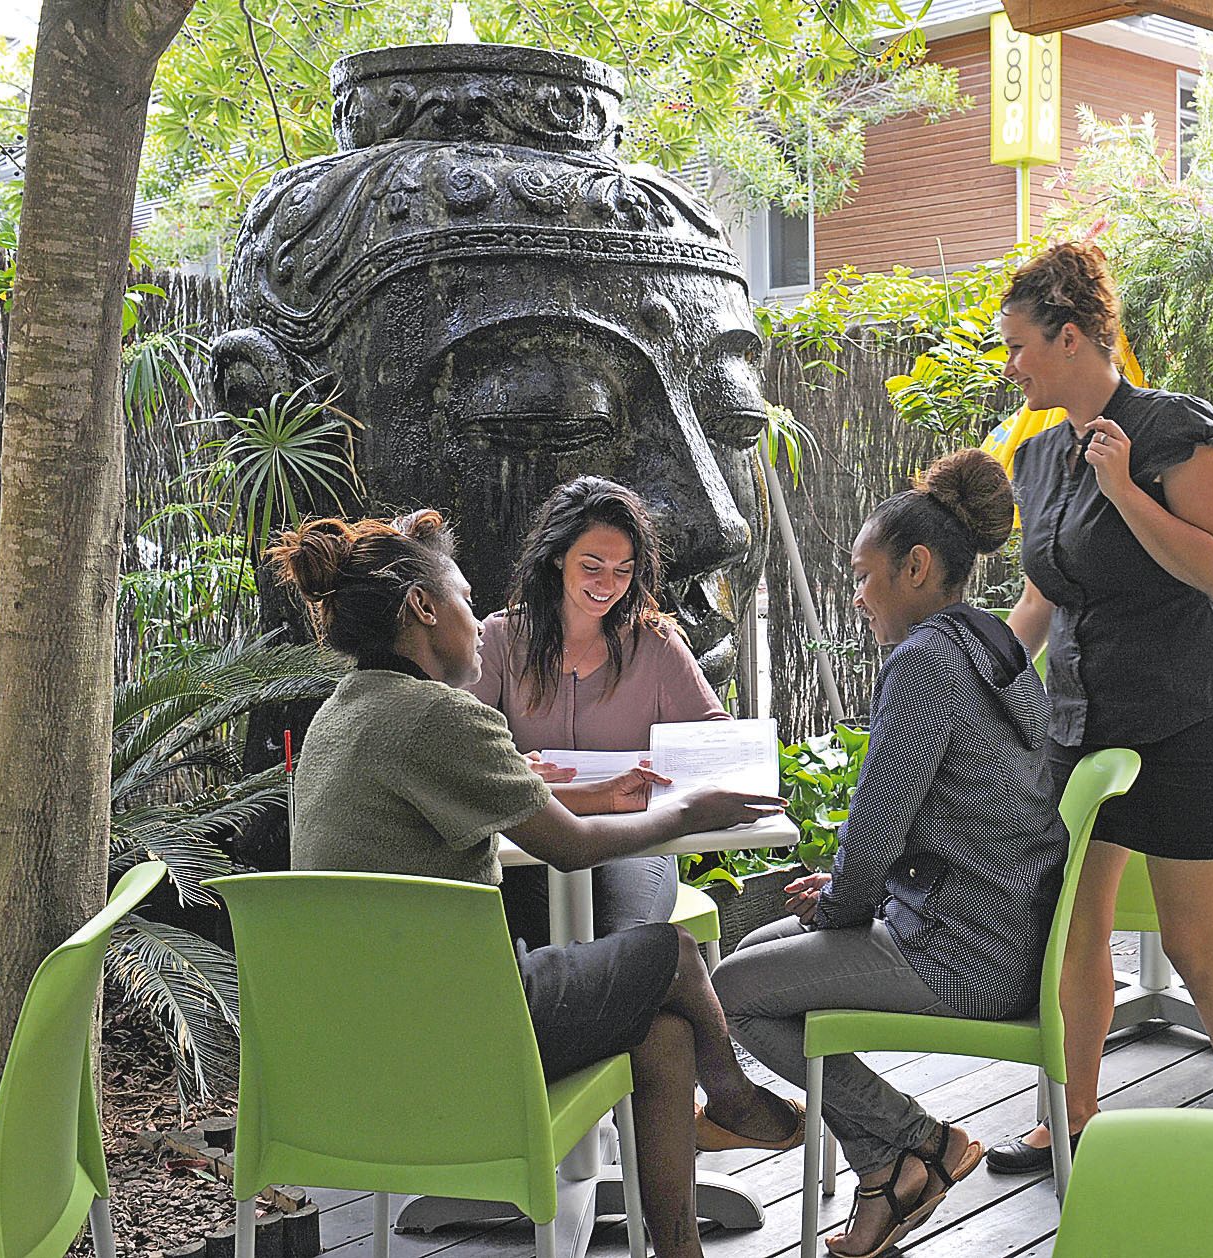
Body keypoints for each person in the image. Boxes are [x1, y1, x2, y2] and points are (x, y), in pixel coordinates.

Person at [270, 509, 802, 1258]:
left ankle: (682, 1243)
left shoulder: (340, 719)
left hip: (357, 1050)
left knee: (662, 1032)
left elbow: (522, 802)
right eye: (461, 598)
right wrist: (687, 808)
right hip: (464, 1037)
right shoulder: (439, 718)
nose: (479, 625)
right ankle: (735, 1096)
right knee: (675, 954)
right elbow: (574, 847)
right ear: (424, 609)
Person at [713, 450, 1065, 1258]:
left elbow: (873, 830)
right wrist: (843, 894)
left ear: (916, 567)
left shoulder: (925, 662)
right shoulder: (989, 643)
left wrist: (843, 900)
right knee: (761, 949)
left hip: (965, 954)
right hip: (999, 929)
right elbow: (937, 816)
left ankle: (918, 1143)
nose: (858, 595)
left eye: (866, 575)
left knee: (732, 994)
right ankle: (889, 1163)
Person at [987, 242, 1213, 1175]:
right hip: (1082, 718)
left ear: (1069, 337)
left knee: (1198, 941)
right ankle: (1073, 1122)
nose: (1012, 366)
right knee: (1077, 926)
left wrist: (1122, 488)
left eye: (1021, 347)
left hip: (1190, 714)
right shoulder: (1035, 457)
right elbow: (1043, 599)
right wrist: (975, 673)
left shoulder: (1168, 429)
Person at [468, 476, 729, 946]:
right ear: (556, 559)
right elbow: (462, 746)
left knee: (623, 947)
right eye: (592, 566)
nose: (608, 585)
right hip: (529, 840)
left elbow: (715, 739)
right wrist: (506, 764)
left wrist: (683, 765)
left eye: (623, 570)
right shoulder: (501, 638)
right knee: (518, 952)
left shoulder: (657, 643)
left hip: (634, 840)